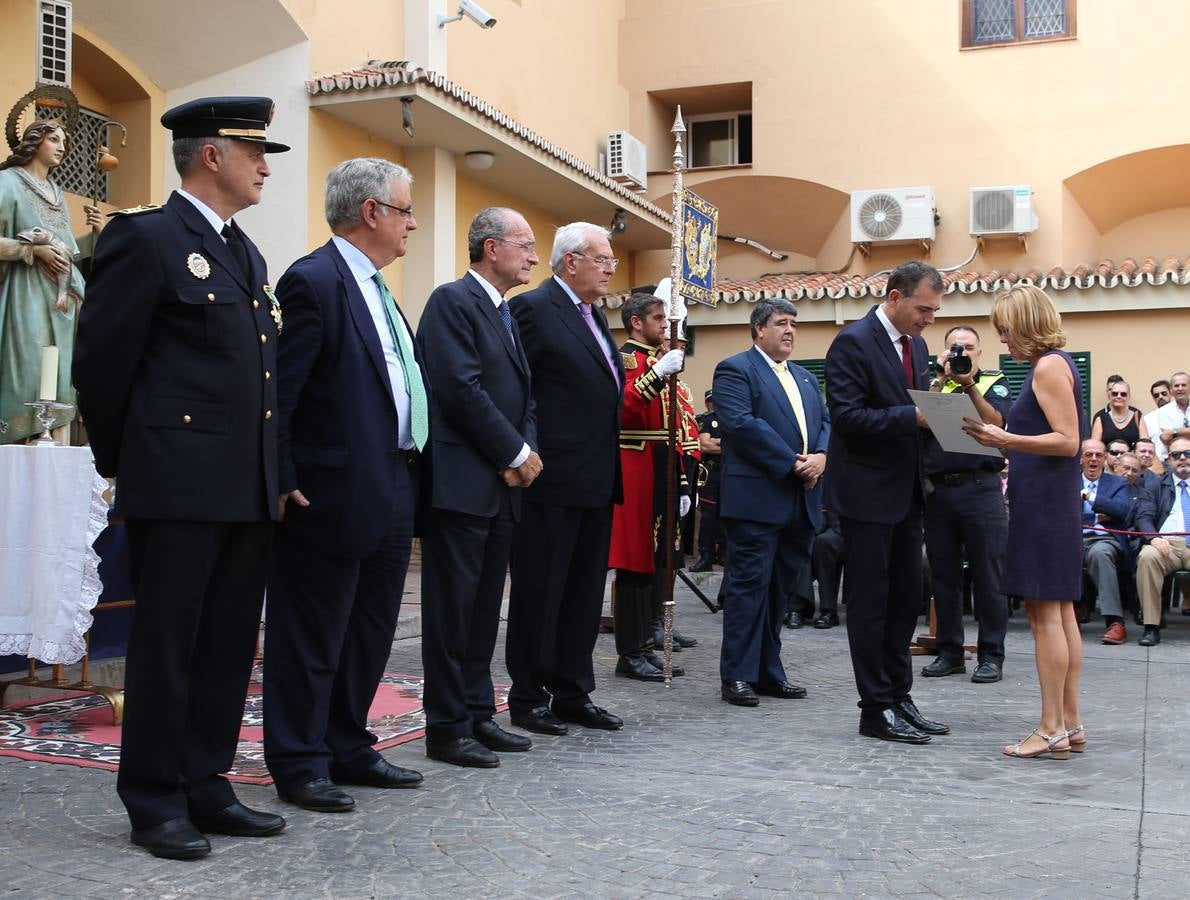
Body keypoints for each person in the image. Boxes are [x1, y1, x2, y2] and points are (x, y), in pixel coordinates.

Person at [72, 97, 290, 859]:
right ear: (212, 156)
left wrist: (275, 471)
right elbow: (102, 362)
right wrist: (126, 464)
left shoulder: (247, 254)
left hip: (243, 485)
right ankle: (155, 799)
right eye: (255, 151)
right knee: (168, 645)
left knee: (229, 644)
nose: (266, 165)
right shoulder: (148, 238)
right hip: (178, 481)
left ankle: (207, 782)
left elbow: (259, 381)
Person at [264, 158, 426, 813]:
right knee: (312, 631)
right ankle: (299, 762)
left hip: (390, 479)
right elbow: (284, 388)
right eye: (406, 210)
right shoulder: (314, 280)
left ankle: (347, 745)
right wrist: (283, 474)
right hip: (328, 489)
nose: (412, 223)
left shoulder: (379, 290)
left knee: (369, 629)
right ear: (372, 212)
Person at [415, 207, 540, 767]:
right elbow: (459, 390)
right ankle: (446, 727)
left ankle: (478, 713)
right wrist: (513, 452)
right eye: (526, 246)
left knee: (487, 606)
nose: (534, 258)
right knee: (453, 611)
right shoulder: (452, 301)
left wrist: (526, 451)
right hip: (464, 482)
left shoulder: (505, 313)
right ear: (491, 248)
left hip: (502, 485)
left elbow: (524, 397)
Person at [505, 222, 625, 735]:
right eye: (601, 259)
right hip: (550, 477)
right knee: (541, 589)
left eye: (611, 259)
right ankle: (528, 694)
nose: (610, 268)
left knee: (582, 594)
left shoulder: (596, 317)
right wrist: (522, 452)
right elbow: (518, 387)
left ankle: (573, 690)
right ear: (570, 261)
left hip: (597, 476)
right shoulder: (532, 309)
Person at [824, 260, 948, 744]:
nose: (929, 319)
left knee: (904, 602)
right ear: (894, 297)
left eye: (935, 311)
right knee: (871, 603)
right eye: (923, 309)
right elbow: (849, 418)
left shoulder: (915, 345)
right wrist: (913, 416)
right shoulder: (852, 342)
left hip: (907, 492)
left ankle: (899, 696)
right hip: (866, 495)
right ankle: (874, 707)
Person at [964, 284, 1084, 760]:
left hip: (1044, 504)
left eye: (1005, 330)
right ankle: (1070, 724)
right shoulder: (1050, 365)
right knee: (1060, 613)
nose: (1003, 341)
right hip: (1049, 501)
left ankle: (1051, 726)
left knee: (1044, 616)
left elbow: (1068, 440)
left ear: (1027, 324)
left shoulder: (1050, 366)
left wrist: (1005, 441)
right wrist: (973, 391)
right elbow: (1017, 427)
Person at [714, 298, 829, 707]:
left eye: (794, 324)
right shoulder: (735, 369)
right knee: (749, 589)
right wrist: (792, 463)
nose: (790, 330)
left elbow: (825, 422)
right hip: (756, 499)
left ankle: (767, 671)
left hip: (800, 500)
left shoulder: (805, 377)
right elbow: (742, 425)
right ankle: (738, 676)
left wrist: (821, 456)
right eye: (782, 323)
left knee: (779, 592)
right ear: (759, 329)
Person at [920, 325, 1012, 684]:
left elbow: (996, 424)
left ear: (980, 353)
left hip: (980, 489)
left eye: (969, 348)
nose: (962, 354)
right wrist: (941, 380)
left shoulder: (993, 382)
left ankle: (991, 655)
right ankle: (949, 651)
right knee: (943, 576)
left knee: (989, 577)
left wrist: (968, 383)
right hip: (939, 491)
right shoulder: (934, 383)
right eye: (955, 348)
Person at [607, 292, 691, 683]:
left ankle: (644, 642)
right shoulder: (625, 358)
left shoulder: (659, 360)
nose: (665, 326)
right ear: (636, 322)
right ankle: (630, 650)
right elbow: (624, 408)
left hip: (661, 463)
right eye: (658, 318)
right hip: (635, 462)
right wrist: (656, 376)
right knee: (634, 560)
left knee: (657, 558)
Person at [0, 120, 101, 442]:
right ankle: (17, 447)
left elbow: (68, 251)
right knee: (26, 372)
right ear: (33, 142)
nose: (61, 146)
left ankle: (54, 454)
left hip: (62, 303)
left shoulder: (56, 192)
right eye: (53, 139)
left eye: (64, 141)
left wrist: (96, 236)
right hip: (24, 294)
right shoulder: (8, 182)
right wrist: (32, 250)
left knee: (59, 380)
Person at [1133, 436, 1190, 646]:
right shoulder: (1157, 485)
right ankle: (1151, 626)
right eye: (1176, 455)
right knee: (1147, 556)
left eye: (1187, 454)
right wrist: (1154, 538)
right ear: (1169, 459)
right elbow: (1143, 517)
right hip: (1168, 545)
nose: (1182, 458)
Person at [1077, 438, 1134, 645]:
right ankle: (1069, 612)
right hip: (1073, 538)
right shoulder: (1066, 481)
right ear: (1080, 458)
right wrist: (1103, 509)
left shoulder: (1117, 482)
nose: (1093, 459)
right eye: (1088, 455)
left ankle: (1115, 621)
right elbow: (1057, 512)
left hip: (1105, 538)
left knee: (1100, 554)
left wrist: (1089, 497)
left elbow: (1122, 510)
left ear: (1105, 459)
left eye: (1098, 455)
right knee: (1059, 553)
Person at [692, 389, 723, 572]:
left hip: (728, 472)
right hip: (710, 474)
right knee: (708, 516)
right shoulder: (705, 419)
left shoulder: (730, 419)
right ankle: (706, 555)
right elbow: (705, 445)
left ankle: (725, 553)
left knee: (729, 514)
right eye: (711, 401)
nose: (714, 404)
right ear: (706, 403)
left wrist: (718, 443)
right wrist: (728, 445)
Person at [1091, 380, 1146, 448]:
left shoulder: (1137, 416)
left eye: (1123, 394)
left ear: (1129, 396)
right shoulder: (1100, 419)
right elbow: (1095, 448)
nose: (1119, 396)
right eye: (1115, 394)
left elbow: (1145, 445)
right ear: (1110, 396)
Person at [1155, 372, 1190, 464]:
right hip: (1175, 459)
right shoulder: (1164, 411)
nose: (1180, 388)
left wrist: (1174, 432)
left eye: (1184, 385)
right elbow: (1166, 438)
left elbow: (1170, 434)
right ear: (1171, 390)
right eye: (1176, 386)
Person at [1142, 380, 1171, 458]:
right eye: (1156, 395)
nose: (1160, 397)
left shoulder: (1182, 414)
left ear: (1170, 393)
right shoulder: (1147, 419)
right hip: (1158, 462)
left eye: (1164, 393)